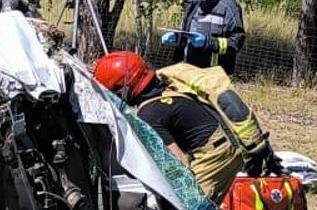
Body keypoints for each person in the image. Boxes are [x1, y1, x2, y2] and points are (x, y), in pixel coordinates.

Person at [93, 50, 245, 201]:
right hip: (224, 144)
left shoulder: (149, 114)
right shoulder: (164, 86)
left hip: (214, 156)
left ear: (124, 90)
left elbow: (178, 162)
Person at [163, 0, 245, 74]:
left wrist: (208, 43)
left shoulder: (229, 7)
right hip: (189, 72)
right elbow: (188, 32)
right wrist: (177, 37)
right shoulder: (194, 1)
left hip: (213, 77)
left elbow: (236, 42)